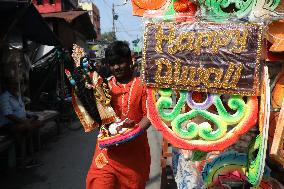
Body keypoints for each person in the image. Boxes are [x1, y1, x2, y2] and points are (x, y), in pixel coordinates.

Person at [86, 41, 151, 189]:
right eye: (112, 64)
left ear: (129, 61)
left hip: (134, 152)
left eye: (120, 62)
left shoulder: (142, 85)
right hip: (108, 153)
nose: (116, 67)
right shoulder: (104, 86)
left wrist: (134, 130)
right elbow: (99, 117)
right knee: (99, 183)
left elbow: (149, 115)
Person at [0, 79, 42, 168]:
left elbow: (21, 110)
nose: (15, 86)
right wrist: (25, 122)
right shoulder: (4, 97)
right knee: (24, 129)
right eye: (13, 84)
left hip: (22, 122)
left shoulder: (18, 96)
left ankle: (27, 156)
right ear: (7, 86)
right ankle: (24, 159)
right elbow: (8, 114)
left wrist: (29, 116)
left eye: (16, 84)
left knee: (38, 123)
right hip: (8, 125)